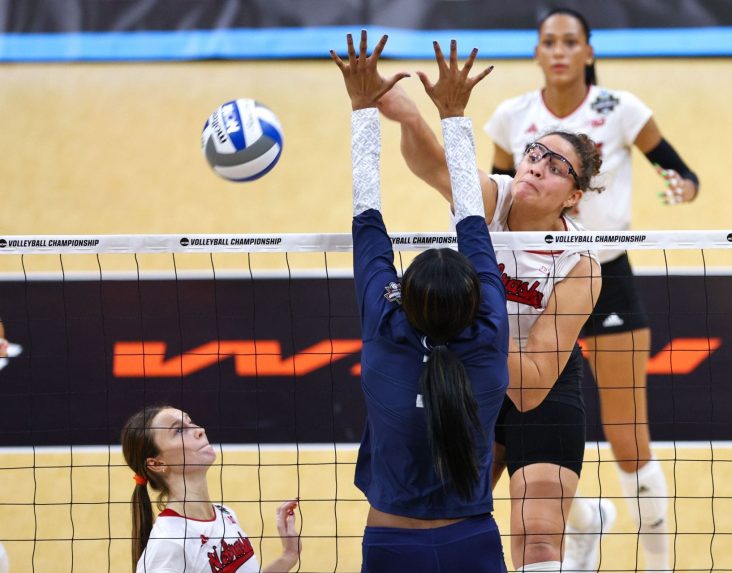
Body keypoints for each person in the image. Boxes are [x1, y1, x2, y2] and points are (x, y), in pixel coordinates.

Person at [484, 8, 701, 571]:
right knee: (513, 435)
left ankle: (659, 566)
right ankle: (586, 520)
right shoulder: (512, 117)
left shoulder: (620, 108)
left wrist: (682, 185)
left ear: (588, 51)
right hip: (525, 280)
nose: (558, 51)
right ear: (536, 52)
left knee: (628, 438)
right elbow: (491, 199)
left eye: (570, 41)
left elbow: (677, 168)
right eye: (548, 41)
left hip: (601, 275)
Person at [377, 75, 604, 572]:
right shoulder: (493, 199)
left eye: (557, 167)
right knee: (440, 519)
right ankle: (583, 514)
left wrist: (468, 320)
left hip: (538, 385)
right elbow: (434, 165)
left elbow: (530, 389)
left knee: (538, 541)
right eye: (535, 154)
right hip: (469, 378)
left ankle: (568, 517)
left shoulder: (579, 265)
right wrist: (409, 115)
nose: (537, 167)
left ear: (573, 196)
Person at [330, 31, 509, 572]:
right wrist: (453, 112)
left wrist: (362, 108)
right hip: (473, 545)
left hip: (391, 547)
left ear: (401, 298)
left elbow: (368, 214)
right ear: (476, 296)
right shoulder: (490, 333)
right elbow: (472, 216)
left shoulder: (386, 328)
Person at [121, 405, 301, 572]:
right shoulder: (168, 542)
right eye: (179, 430)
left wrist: (288, 556)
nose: (199, 430)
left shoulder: (225, 514)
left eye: (190, 422)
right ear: (157, 463)